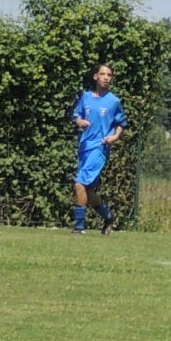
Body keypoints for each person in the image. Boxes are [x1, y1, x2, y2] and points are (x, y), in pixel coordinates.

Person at [70, 62, 125, 233]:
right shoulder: (85, 97)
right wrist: (79, 121)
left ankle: (79, 227)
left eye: (109, 75)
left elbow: (121, 123)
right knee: (88, 189)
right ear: (95, 77)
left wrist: (114, 137)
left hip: (100, 147)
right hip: (84, 146)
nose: (106, 78)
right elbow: (76, 115)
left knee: (80, 183)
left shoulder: (114, 101)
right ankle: (108, 217)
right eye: (103, 74)